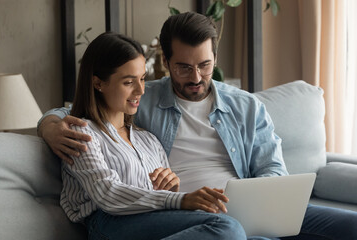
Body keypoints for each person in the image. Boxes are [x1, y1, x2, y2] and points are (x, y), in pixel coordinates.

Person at [38, 12, 357, 240]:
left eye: (204, 65)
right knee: (229, 231)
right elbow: (79, 113)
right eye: (184, 67)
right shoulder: (141, 103)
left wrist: (260, 207)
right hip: (182, 213)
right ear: (165, 61)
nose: (195, 77)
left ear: (215, 58)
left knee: (349, 224)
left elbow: (273, 172)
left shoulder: (244, 108)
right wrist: (50, 126)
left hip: (230, 208)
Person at [58, 31, 247, 240]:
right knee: (227, 229)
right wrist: (180, 200)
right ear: (98, 83)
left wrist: (172, 189)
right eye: (129, 82)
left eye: (142, 79)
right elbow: (107, 193)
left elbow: (164, 203)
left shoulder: (148, 140)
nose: (140, 90)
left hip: (152, 222)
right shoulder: (80, 132)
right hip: (109, 224)